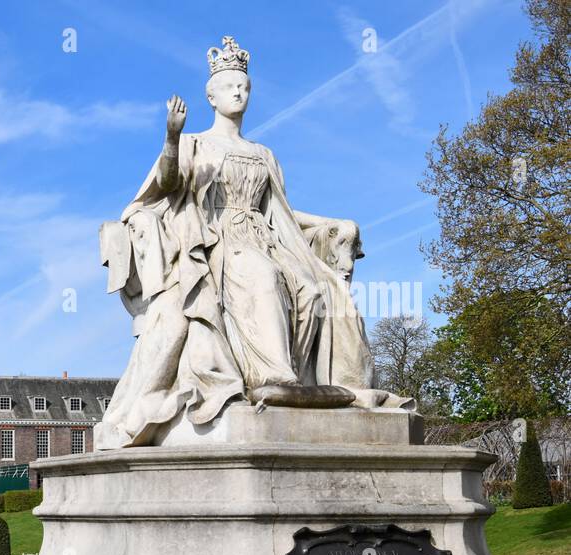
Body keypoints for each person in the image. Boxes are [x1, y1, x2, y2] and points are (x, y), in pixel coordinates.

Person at [96, 36, 412, 448]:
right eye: (230, 86)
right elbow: (167, 184)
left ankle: (306, 385)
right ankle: (272, 377)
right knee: (261, 275)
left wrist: (333, 223)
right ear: (211, 95)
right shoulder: (195, 143)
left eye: (244, 86)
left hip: (265, 236)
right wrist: (172, 137)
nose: (239, 92)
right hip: (216, 242)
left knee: (315, 290)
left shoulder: (263, 154)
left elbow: (280, 211)